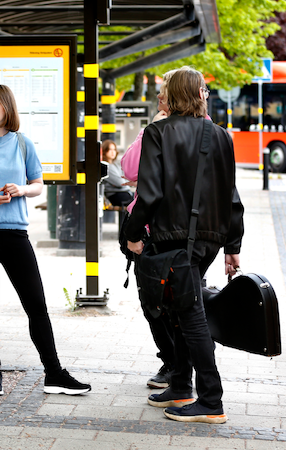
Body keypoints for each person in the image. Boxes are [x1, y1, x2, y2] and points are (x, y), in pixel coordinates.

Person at [0, 84, 91, 397]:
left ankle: (54, 373)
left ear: (6, 108)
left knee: (36, 306)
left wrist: (22, 189)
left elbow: (37, 185)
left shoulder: (22, 143)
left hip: (16, 235)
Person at [124, 67, 245, 424]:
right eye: (205, 89)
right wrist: (232, 245)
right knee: (178, 310)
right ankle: (180, 386)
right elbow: (231, 196)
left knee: (189, 316)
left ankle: (211, 399)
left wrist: (132, 234)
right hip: (209, 239)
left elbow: (149, 193)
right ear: (199, 94)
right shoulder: (221, 136)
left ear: (171, 95)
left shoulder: (158, 132)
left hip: (172, 238)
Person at [120, 71, 177, 390]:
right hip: (148, 226)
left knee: (167, 302)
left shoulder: (194, 131)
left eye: (164, 93)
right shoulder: (158, 128)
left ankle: (176, 364)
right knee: (155, 301)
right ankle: (173, 362)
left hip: (161, 229)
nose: (158, 98)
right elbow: (129, 168)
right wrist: (150, 130)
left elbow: (137, 176)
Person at [100, 139, 132, 228]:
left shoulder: (115, 165)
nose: (113, 152)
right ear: (105, 151)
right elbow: (120, 182)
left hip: (123, 193)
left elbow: (125, 178)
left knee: (141, 197)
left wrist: (124, 182)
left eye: (114, 149)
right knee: (141, 200)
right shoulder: (106, 166)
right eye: (110, 150)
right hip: (116, 195)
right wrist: (126, 183)